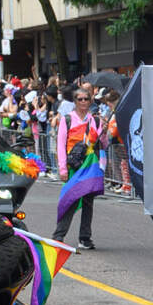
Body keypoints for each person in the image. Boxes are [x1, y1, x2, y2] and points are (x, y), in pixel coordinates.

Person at [53, 85, 102, 249]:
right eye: (79, 99)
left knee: (88, 202)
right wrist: (62, 169)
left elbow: (102, 144)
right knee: (70, 199)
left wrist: (106, 132)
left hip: (90, 165)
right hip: (73, 165)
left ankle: (85, 237)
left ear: (90, 101)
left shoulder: (95, 120)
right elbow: (60, 144)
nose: (83, 102)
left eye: (86, 99)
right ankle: (59, 235)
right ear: (75, 101)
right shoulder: (67, 119)